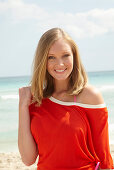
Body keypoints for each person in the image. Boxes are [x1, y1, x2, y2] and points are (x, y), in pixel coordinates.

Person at [18, 27, 114, 170]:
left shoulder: (90, 97)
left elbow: (104, 157)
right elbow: (28, 159)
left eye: (65, 55)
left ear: (74, 56)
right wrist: (22, 107)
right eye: (51, 57)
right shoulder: (35, 101)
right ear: (43, 60)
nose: (60, 64)